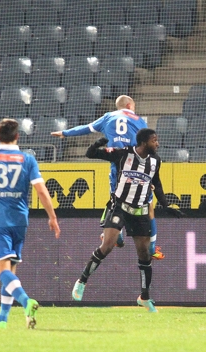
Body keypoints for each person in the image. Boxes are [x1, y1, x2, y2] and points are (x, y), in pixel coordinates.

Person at [71, 129, 183, 312]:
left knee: (145, 255)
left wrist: (166, 205)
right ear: (144, 142)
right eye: (155, 140)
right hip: (120, 207)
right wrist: (97, 144)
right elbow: (90, 154)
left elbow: (158, 184)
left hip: (140, 211)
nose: (158, 144)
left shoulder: (156, 161)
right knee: (107, 246)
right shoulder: (123, 154)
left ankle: (144, 298)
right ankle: (82, 281)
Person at [51, 95, 165, 260]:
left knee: (116, 200)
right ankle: (153, 247)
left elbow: (86, 128)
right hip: (134, 165)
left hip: (116, 165)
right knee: (148, 205)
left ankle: (116, 236)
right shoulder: (140, 121)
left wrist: (65, 133)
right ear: (129, 105)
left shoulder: (108, 117)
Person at [0, 119, 60, 329]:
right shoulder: (27, 159)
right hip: (20, 221)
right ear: (18, 136)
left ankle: (26, 301)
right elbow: (42, 190)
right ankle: (3, 319)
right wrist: (52, 217)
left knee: (1, 270)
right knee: (11, 269)